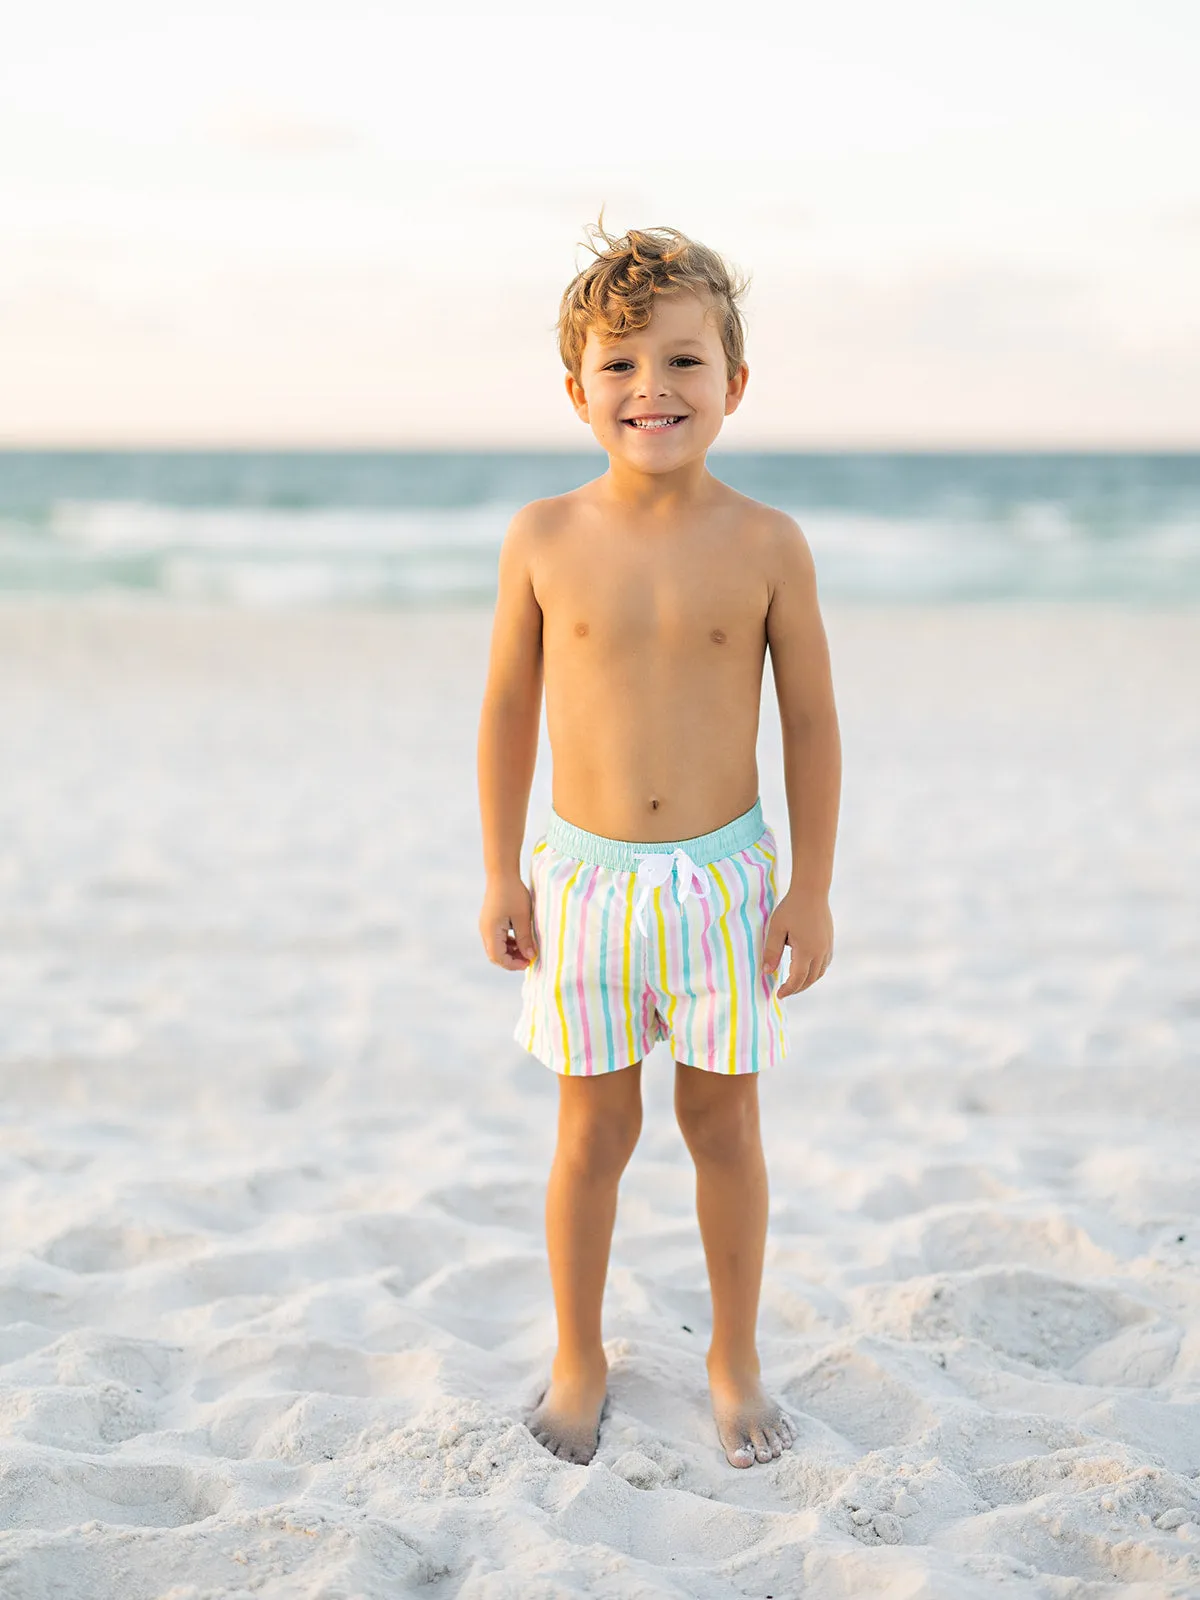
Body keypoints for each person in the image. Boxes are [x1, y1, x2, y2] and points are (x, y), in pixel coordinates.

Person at [476, 222, 841, 1469]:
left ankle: (732, 1356)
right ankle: (581, 1354)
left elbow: (810, 724)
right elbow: (505, 714)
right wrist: (497, 868)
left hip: (726, 886)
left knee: (723, 1124)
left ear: (733, 384)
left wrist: (813, 889)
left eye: (683, 363)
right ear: (577, 389)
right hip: (580, 883)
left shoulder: (769, 543)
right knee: (592, 1133)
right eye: (621, 366)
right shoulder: (542, 537)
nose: (653, 390)